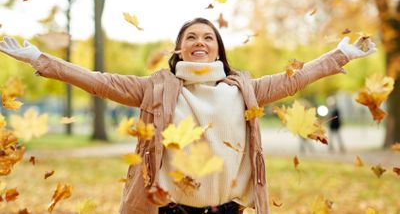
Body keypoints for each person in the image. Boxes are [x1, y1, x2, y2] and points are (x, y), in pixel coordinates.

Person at [0, 18, 376, 214]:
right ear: (180, 48)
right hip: (169, 210)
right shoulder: (156, 88)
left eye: (208, 37)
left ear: (218, 49)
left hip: (225, 209)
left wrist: (339, 55)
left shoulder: (243, 89)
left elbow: (296, 79)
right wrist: (38, 58)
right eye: (192, 37)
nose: (200, 42)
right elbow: (98, 81)